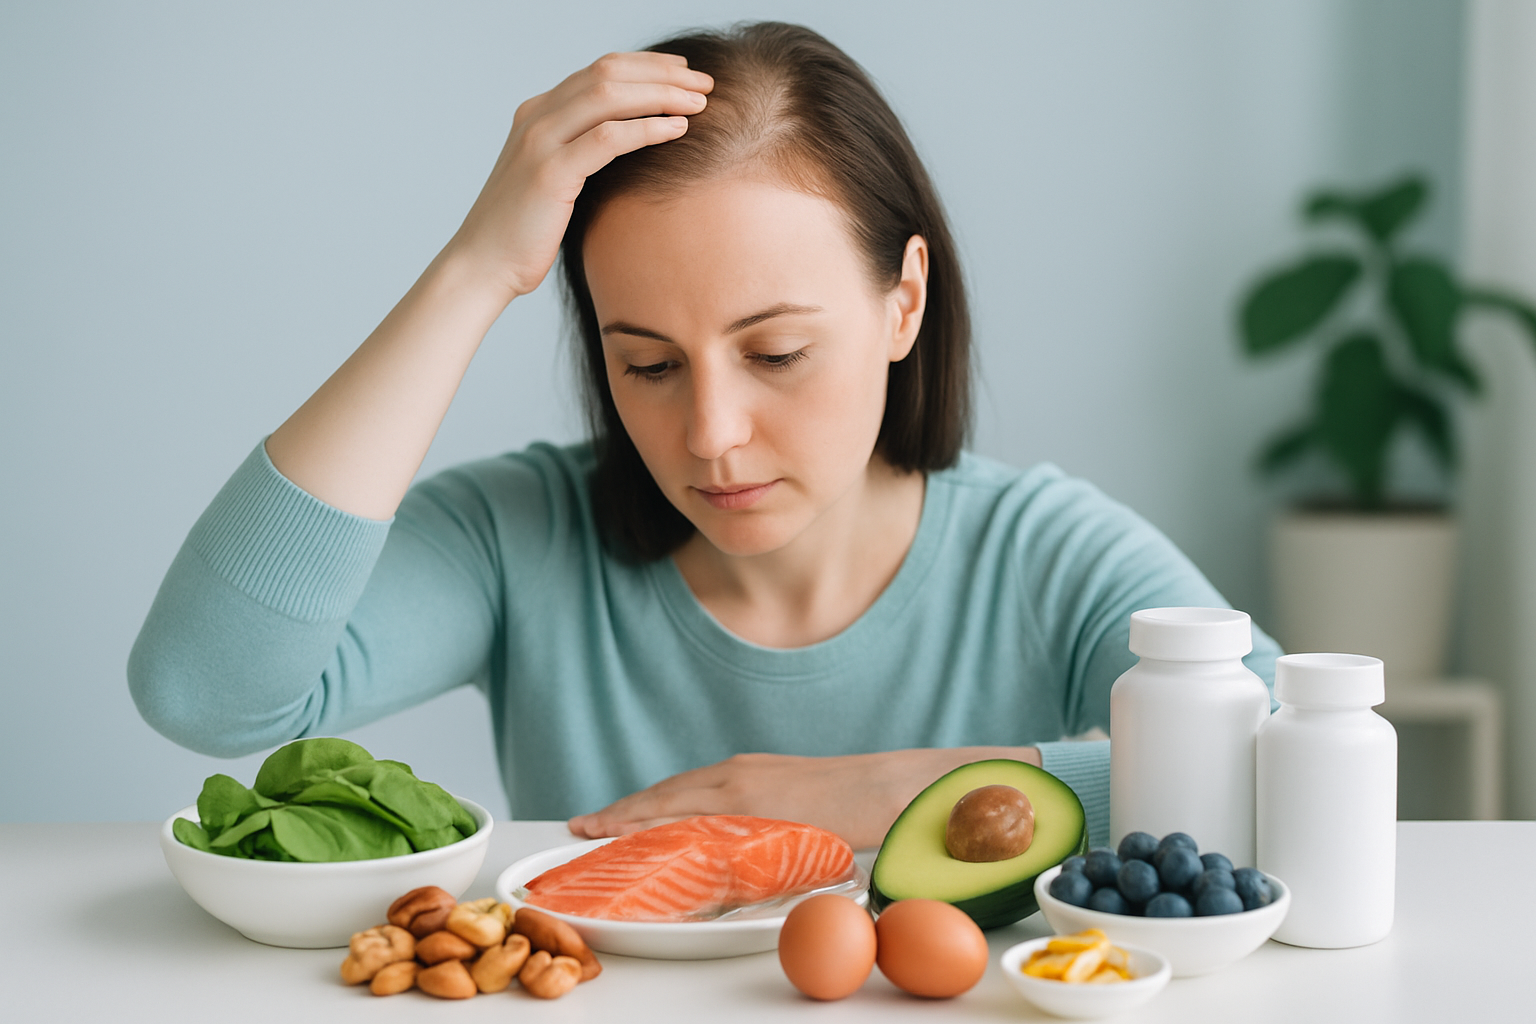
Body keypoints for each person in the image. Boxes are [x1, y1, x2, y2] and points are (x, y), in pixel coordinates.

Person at [128, 22, 1279, 851]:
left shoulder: (1041, 553)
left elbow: (1286, 765)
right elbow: (204, 690)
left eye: (775, 353)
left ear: (904, 303)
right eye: (649, 365)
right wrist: (474, 272)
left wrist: (880, 791)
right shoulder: (521, 539)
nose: (713, 436)